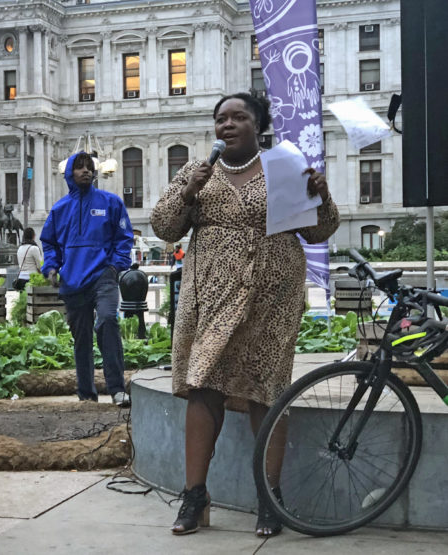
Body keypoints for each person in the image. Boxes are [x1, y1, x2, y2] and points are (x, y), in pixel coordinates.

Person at [150, 93, 339, 537]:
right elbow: (163, 227)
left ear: (259, 125)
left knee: (265, 390)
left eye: (239, 117)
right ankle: (195, 496)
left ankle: (269, 499)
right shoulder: (197, 171)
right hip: (209, 294)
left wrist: (322, 196)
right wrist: (187, 192)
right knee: (203, 386)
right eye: (221, 119)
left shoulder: (284, 169)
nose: (228, 125)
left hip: (271, 294)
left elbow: (318, 230)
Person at [41, 151, 134, 407]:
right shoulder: (60, 209)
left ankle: (117, 389)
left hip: (103, 275)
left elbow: (124, 237)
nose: (86, 171)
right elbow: (48, 243)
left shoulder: (110, 202)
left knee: (107, 321)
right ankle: (86, 395)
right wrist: (51, 267)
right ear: (69, 173)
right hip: (72, 280)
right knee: (81, 338)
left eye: (89, 167)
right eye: (79, 167)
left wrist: (115, 266)